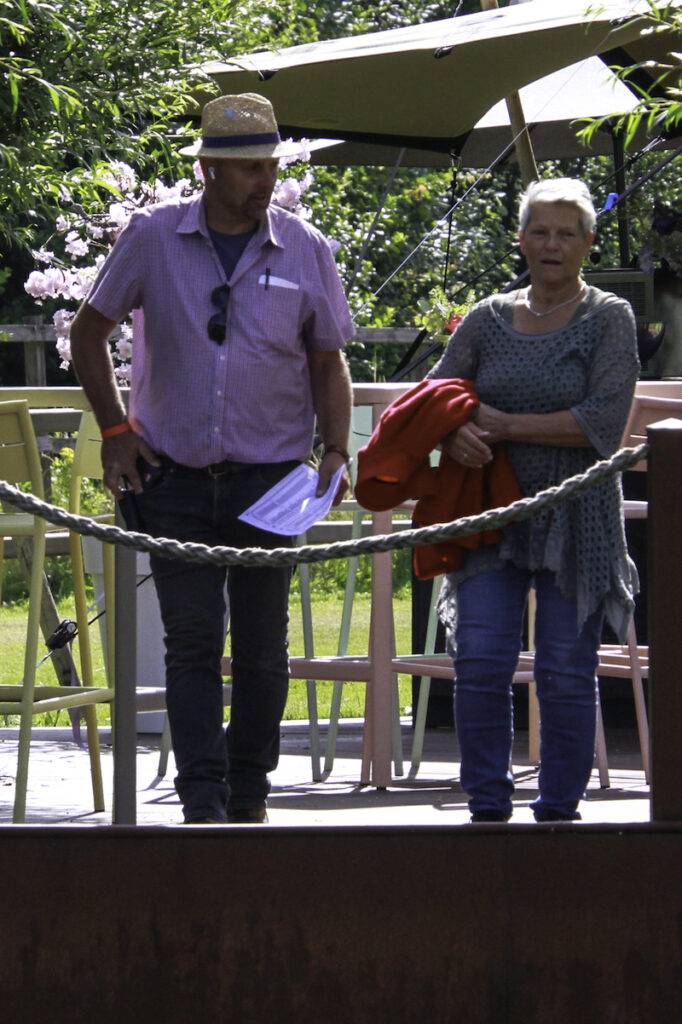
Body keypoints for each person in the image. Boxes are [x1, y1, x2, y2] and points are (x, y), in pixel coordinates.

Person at [69, 93, 354, 824]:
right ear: (209, 171)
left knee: (262, 647)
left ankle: (249, 794)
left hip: (271, 479)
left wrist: (334, 448)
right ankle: (202, 799)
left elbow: (329, 359)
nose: (265, 180)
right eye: (249, 168)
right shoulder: (153, 236)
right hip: (172, 477)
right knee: (192, 643)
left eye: (270, 165)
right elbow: (87, 333)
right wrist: (115, 430)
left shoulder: (305, 246)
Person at [428, 177, 639, 823]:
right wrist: (455, 430)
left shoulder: (609, 317)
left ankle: (558, 815)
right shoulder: (486, 317)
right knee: (480, 660)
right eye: (540, 232)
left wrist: (503, 424)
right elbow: (433, 396)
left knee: (566, 670)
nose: (552, 244)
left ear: (588, 243)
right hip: (490, 514)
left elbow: (604, 423)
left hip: (579, 518)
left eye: (566, 234)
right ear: (520, 240)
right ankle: (487, 807)